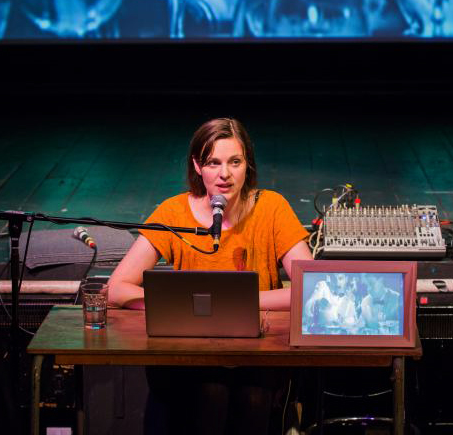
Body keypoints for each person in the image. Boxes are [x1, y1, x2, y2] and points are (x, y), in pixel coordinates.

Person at [107, 117, 313, 434]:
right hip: (192, 355)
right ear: (197, 166)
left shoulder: (272, 208)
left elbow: (309, 288)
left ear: (248, 165)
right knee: (210, 393)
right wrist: (172, 306)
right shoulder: (173, 213)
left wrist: (238, 304)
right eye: (213, 163)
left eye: (235, 162)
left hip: (255, 354)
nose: (224, 174)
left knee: (254, 397)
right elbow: (116, 288)